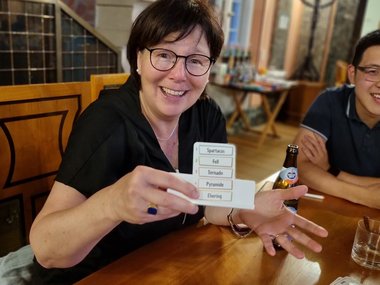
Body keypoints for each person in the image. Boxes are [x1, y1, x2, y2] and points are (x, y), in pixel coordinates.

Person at [29, 0, 328, 284]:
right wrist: (112, 203)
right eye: (164, 55)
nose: (178, 74)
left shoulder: (206, 115)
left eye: (196, 61)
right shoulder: (106, 123)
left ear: (209, 69)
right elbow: (46, 248)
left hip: (162, 265)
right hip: (94, 275)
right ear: (138, 60)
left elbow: (210, 205)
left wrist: (245, 210)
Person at [294, 29, 380, 209]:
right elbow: (299, 166)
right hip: (325, 208)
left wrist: (331, 171)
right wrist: (368, 196)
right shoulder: (330, 101)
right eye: (373, 71)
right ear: (352, 73)